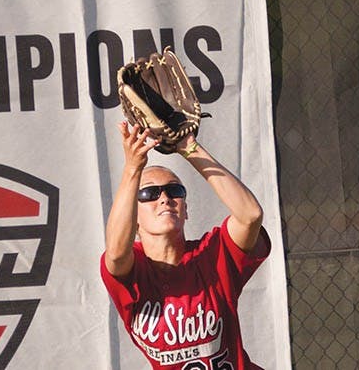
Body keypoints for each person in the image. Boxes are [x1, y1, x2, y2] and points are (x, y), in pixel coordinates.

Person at [100, 121, 271, 370]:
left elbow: (250, 216)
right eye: (150, 194)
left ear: (186, 209)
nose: (165, 199)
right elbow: (115, 254)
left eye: (174, 190)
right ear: (133, 220)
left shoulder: (212, 256)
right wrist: (133, 169)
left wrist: (189, 147)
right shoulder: (134, 271)